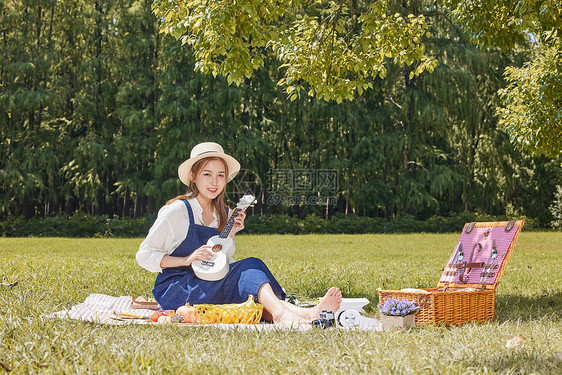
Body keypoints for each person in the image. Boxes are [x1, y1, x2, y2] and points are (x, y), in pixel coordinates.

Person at [137, 142, 341, 325]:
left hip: (209, 283)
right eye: (207, 174)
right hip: (178, 288)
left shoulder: (224, 213)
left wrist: (231, 232)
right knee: (249, 267)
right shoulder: (177, 211)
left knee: (251, 277)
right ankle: (284, 315)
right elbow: (144, 255)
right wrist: (186, 259)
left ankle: (307, 314)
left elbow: (220, 263)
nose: (214, 182)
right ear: (193, 175)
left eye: (220, 175)